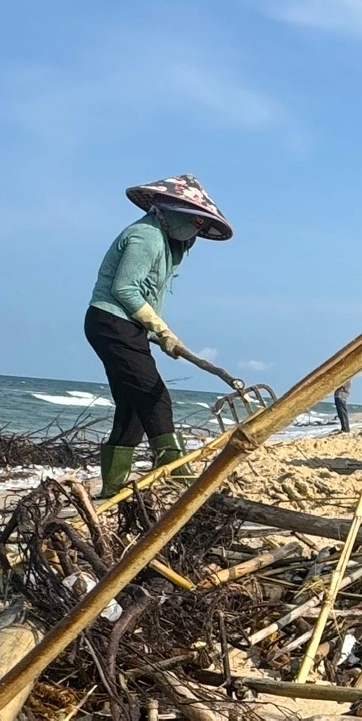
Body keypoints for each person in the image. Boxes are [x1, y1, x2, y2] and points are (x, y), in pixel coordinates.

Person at [87, 174, 231, 496]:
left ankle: (112, 487)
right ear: (173, 211)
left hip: (125, 326)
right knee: (154, 397)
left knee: (133, 406)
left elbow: (147, 298)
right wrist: (162, 329)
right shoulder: (145, 237)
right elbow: (123, 288)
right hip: (110, 322)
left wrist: (157, 334)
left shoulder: (164, 244)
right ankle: (180, 477)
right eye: (193, 221)